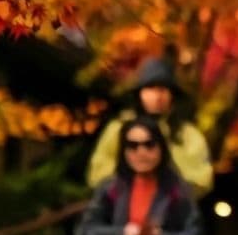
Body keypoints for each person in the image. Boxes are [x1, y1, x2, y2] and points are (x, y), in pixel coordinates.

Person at [87, 55, 214, 196]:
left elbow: (202, 180)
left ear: (172, 95)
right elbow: (98, 173)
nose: (157, 96)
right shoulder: (119, 128)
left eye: (163, 90)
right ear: (140, 93)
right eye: (151, 89)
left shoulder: (188, 135)